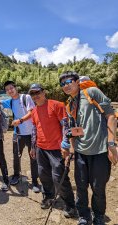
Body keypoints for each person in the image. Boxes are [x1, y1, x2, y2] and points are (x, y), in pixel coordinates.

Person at [59, 71, 117, 225]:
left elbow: (111, 116)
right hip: (80, 153)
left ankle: (98, 216)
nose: (66, 85)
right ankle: (84, 216)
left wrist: (111, 144)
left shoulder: (92, 92)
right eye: (62, 84)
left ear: (77, 81)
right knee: (81, 187)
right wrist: (71, 149)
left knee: (98, 188)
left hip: (100, 151)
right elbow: (74, 129)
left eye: (68, 81)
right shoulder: (70, 104)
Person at [28, 83, 76, 218]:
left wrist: (65, 144)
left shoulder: (56, 105)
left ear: (44, 92)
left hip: (56, 149)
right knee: (43, 174)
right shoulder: (34, 111)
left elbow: (65, 125)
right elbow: (34, 130)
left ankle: (70, 205)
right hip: (40, 148)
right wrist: (33, 147)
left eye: (38, 92)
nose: (36, 96)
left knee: (59, 177)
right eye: (33, 94)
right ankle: (49, 196)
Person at [0, 80, 40, 193]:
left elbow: (32, 112)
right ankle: (16, 175)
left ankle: (35, 181)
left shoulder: (26, 97)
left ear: (16, 88)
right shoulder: (9, 101)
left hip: (31, 133)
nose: (10, 90)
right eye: (7, 89)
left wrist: (20, 120)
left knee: (33, 157)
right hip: (18, 133)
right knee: (16, 156)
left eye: (11, 88)